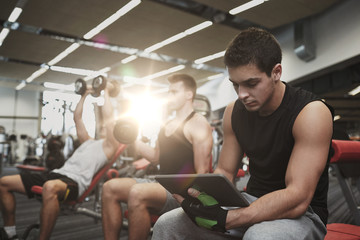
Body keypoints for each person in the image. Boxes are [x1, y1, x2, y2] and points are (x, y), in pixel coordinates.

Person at [152, 27, 334, 240]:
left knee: (259, 236)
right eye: (235, 85)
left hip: (304, 214)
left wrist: (229, 218)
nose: (242, 94)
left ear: (276, 72)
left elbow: (298, 197)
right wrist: (200, 198)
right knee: (168, 224)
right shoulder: (233, 111)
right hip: (249, 200)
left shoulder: (310, 113)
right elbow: (225, 172)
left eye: (251, 83)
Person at [101, 73, 213, 240]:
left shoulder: (198, 124)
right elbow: (156, 156)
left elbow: (202, 171)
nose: (169, 96)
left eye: (174, 92)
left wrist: (193, 205)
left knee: (137, 192)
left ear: (189, 95)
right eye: (169, 92)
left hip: (180, 191)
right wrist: (132, 139)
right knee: (109, 188)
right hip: (160, 184)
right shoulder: (167, 125)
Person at [0, 87, 120, 240]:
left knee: (50, 187)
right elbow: (77, 118)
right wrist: (85, 95)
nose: (104, 127)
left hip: (74, 182)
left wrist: (106, 91)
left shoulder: (110, 146)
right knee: (4, 182)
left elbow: (109, 120)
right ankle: (10, 233)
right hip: (56, 174)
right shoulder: (88, 141)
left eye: (107, 127)